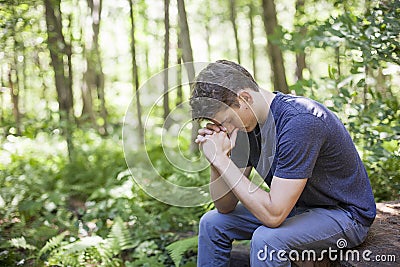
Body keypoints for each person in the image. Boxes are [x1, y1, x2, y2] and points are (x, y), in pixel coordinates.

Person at [189, 60, 376, 266]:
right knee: (212, 223)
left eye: (225, 121)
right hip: (297, 209)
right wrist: (216, 160)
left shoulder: (300, 121)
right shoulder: (243, 127)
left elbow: (273, 215)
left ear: (245, 98)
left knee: (266, 240)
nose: (226, 128)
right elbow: (225, 206)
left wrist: (222, 160)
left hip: (344, 215)